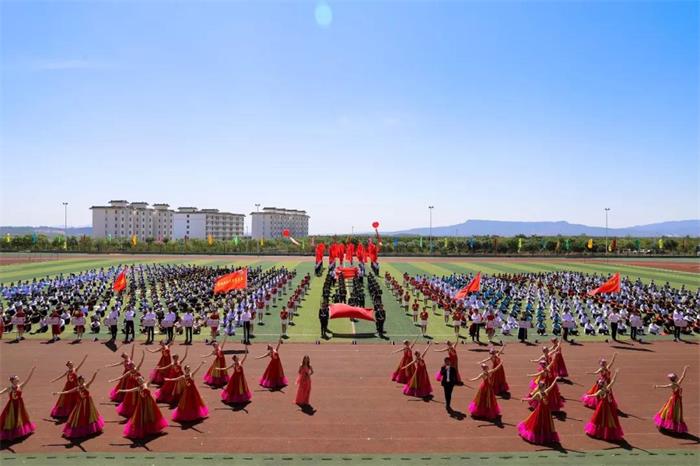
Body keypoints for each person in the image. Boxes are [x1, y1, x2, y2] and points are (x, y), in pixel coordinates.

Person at [52, 371, 104, 439]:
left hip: (88, 403)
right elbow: (68, 392)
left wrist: (95, 374)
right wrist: (58, 393)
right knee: (80, 416)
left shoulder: (86, 386)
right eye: (81, 380)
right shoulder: (77, 388)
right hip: (80, 404)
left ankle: (90, 429)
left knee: (89, 415)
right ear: (79, 381)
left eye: (83, 380)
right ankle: (81, 430)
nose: (82, 381)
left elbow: (91, 380)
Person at [518, 377, 561, 445]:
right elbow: (531, 399)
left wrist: (555, 379)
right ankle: (537, 435)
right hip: (540, 410)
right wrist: (524, 399)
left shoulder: (546, 391)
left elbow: (552, 386)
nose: (546, 387)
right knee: (537, 422)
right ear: (541, 387)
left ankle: (544, 435)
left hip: (546, 411)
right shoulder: (538, 394)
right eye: (544, 386)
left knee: (547, 423)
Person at [585, 369, 623, 441]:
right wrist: (588, 396)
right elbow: (595, 395)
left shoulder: (607, 388)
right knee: (600, 419)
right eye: (604, 383)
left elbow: (613, 381)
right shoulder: (601, 391)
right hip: (602, 406)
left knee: (608, 419)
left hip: (609, 405)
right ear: (603, 385)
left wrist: (616, 373)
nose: (606, 382)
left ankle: (606, 433)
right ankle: (598, 432)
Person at [0, 367, 36, 441]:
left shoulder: (20, 386)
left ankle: (18, 433)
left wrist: (32, 371)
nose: (18, 379)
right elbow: (1, 392)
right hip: (11, 406)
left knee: (20, 418)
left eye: (17, 378)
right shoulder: (9, 388)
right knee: (11, 419)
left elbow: (27, 379)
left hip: (19, 405)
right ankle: (10, 434)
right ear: (13, 381)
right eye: (16, 378)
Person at [109, 351, 146, 419]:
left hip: (138, 385)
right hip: (132, 385)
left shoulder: (136, 369)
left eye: (133, 365)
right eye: (132, 365)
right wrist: (113, 380)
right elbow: (122, 377)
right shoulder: (129, 372)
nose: (133, 366)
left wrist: (143, 355)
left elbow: (141, 362)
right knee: (131, 398)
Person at [653, 366, 689, 433]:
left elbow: (682, 377)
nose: (678, 377)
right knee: (673, 412)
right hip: (675, 400)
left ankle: (669, 425)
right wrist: (657, 386)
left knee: (671, 411)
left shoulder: (676, 383)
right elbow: (665, 386)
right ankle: (670, 426)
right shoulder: (674, 385)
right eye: (676, 377)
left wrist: (685, 370)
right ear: (674, 379)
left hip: (676, 399)